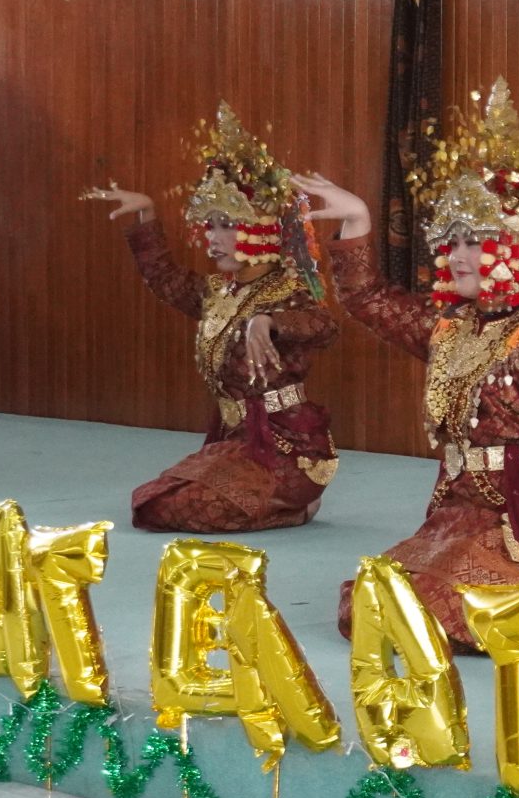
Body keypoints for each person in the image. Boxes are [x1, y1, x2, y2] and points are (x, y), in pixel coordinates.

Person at [295, 78, 519, 650]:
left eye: (475, 242)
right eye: (452, 242)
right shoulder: (450, 330)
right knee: (372, 602)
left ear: (516, 252)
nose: (457, 256)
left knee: (429, 614)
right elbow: (370, 300)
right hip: (458, 517)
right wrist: (357, 218)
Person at [83, 105, 341, 532]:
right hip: (238, 440)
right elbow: (166, 280)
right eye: (211, 226)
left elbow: (324, 326)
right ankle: (278, 503)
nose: (213, 239)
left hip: (288, 448)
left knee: (184, 509)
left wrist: (270, 322)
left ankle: (294, 504)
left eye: (227, 226)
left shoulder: (287, 291)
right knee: (152, 500)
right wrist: (146, 214)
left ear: (260, 229)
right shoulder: (218, 291)